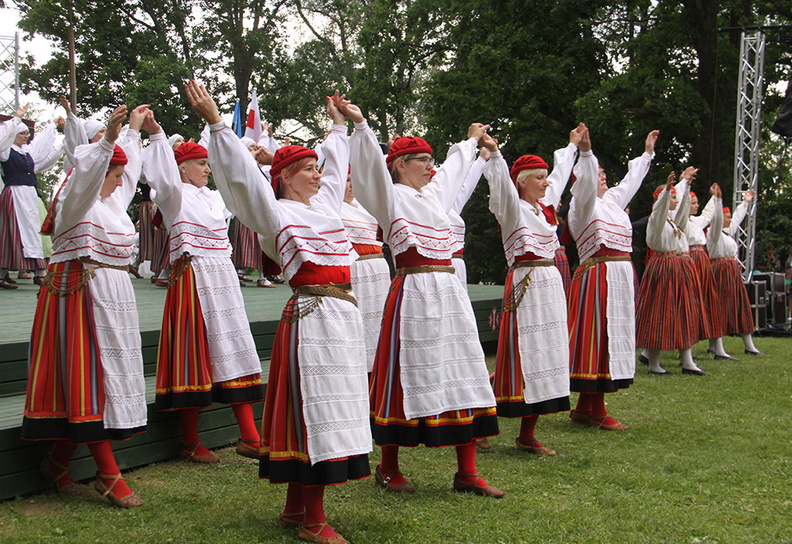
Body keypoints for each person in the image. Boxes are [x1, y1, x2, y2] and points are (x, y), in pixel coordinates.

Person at [188, 82, 371, 544]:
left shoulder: (328, 207)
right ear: (287, 176)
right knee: (315, 412)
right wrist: (216, 123)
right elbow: (245, 183)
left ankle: (295, 508)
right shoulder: (276, 214)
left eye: (317, 168)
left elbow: (339, 162)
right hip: (311, 318)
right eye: (308, 170)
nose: (318, 175)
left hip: (343, 317)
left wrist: (337, 123)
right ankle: (313, 519)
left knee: (332, 407)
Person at [343, 95, 503, 498]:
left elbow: (452, 172)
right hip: (413, 291)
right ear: (400, 165)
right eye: (422, 159)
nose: (432, 166)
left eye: (432, 158)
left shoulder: (435, 197)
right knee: (403, 372)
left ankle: (467, 471)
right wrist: (361, 126)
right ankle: (389, 465)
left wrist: (471, 142)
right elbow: (366, 177)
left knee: (462, 367)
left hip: (448, 291)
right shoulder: (389, 197)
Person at [20, 105, 147, 507]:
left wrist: (134, 130)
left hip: (112, 295)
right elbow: (89, 175)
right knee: (90, 378)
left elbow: (125, 170)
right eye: (113, 174)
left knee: (104, 378)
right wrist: (108, 138)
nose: (120, 182)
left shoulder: (112, 203)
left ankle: (58, 463)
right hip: (79, 295)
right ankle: (108, 474)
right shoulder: (75, 199)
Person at [142, 107, 264, 464]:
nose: (207, 169)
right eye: (201, 164)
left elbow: (238, 191)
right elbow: (161, 179)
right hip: (193, 277)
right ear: (182, 168)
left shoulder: (212, 197)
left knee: (234, 344)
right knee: (193, 354)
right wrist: (156, 135)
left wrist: (247, 158)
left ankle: (249, 435)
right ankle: (191, 440)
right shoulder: (172, 195)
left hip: (222, 276)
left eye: (207, 164)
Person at [481, 125, 582, 455]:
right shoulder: (513, 209)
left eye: (544, 175)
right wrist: (495, 155)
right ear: (522, 180)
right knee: (517, 354)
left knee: (548, 353)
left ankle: (528, 434)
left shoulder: (544, 209)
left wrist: (571, 147)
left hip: (549, 283)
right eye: (538, 177)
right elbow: (501, 190)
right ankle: (479, 424)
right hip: (526, 284)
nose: (546, 181)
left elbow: (562, 174)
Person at [567, 129, 658, 429]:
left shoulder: (614, 203)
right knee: (599, 338)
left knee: (613, 337)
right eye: (596, 174)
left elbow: (631, 181)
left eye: (604, 173)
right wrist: (585, 153)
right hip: (598, 276)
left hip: (619, 275)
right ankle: (596, 409)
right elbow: (585, 187)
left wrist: (647, 153)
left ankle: (584, 407)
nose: (602, 176)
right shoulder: (582, 207)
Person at [636, 168, 710, 376]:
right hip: (665, 268)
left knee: (683, 312)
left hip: (678, 267)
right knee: (660, 312)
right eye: (672, 197)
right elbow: (660, 209)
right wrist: (668, 190)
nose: (676, 201)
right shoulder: (657, 220)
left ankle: (687, 362)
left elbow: (680, 208)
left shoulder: (670, 221)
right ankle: (653, 363)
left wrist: (685, 183)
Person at [0, 105, 62, 287]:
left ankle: (37, 272)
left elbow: (42, 148)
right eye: (22, 133)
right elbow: (3, 137)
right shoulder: (5, 151)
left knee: (32, 232)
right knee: (14, 233)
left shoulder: (26, 153)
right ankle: (10, 274)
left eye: (27, 133)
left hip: (28, 195)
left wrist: (54, 128)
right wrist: (17, 118)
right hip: (14, 195)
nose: (26, 136)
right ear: (13, 134)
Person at [342, 168, 390, 371]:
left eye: (354, 179)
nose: (352, 185)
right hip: (357, 272)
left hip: (379, 272)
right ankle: (364, 370)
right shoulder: (330, 208)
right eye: (346, 180)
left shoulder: (363, 207)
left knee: (380, 323)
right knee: (361, 323)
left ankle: (382, 367)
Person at [707, 188, 765, 356]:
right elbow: (717, 220)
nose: (730, 219)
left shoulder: (727, 233)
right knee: (719, 307)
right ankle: (717, 347)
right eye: (727, 216)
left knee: (740, 305)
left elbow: (737, 220)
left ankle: (749, 345)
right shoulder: (713, 233)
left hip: (731, 272)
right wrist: (718, 202)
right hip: (720, 271)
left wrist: (745, 202)